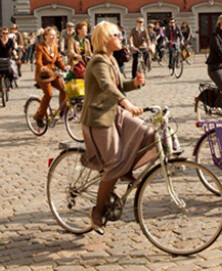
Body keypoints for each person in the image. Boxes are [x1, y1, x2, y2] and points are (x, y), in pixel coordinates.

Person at [81, 21, 151, 232]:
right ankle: (97, 212)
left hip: (115, 113)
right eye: (116, 34)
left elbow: (120, 85)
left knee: (148, 133)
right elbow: (108, 87)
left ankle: (125, 169)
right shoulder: (98, 61)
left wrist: (136, 84)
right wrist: (126, 102)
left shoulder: (111, 60)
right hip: (99, 118)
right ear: (105, 39)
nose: (121, 37)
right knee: (113, 163)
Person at [34, 26, 68, 128]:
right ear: (45, 36)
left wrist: (64, 67)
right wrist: (41, 67)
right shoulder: (40, 47)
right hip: (43, 75)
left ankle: (62, 111)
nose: (53, 37)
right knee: (49, 94)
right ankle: (39, 116)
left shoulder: (55, 47)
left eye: (55, 35)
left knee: (64, 89)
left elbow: (57, 61)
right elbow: (38, 60)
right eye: (51, 35)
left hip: (53, 73)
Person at [0, 27, 18, 96]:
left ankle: (9, 84)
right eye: (3, 33)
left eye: (6, 33)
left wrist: (15, 55)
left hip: (8, 58)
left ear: (8, 34)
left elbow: (13, 49)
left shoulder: (10, 40)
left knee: (11, 72)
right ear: (1, 33)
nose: (5, 35)